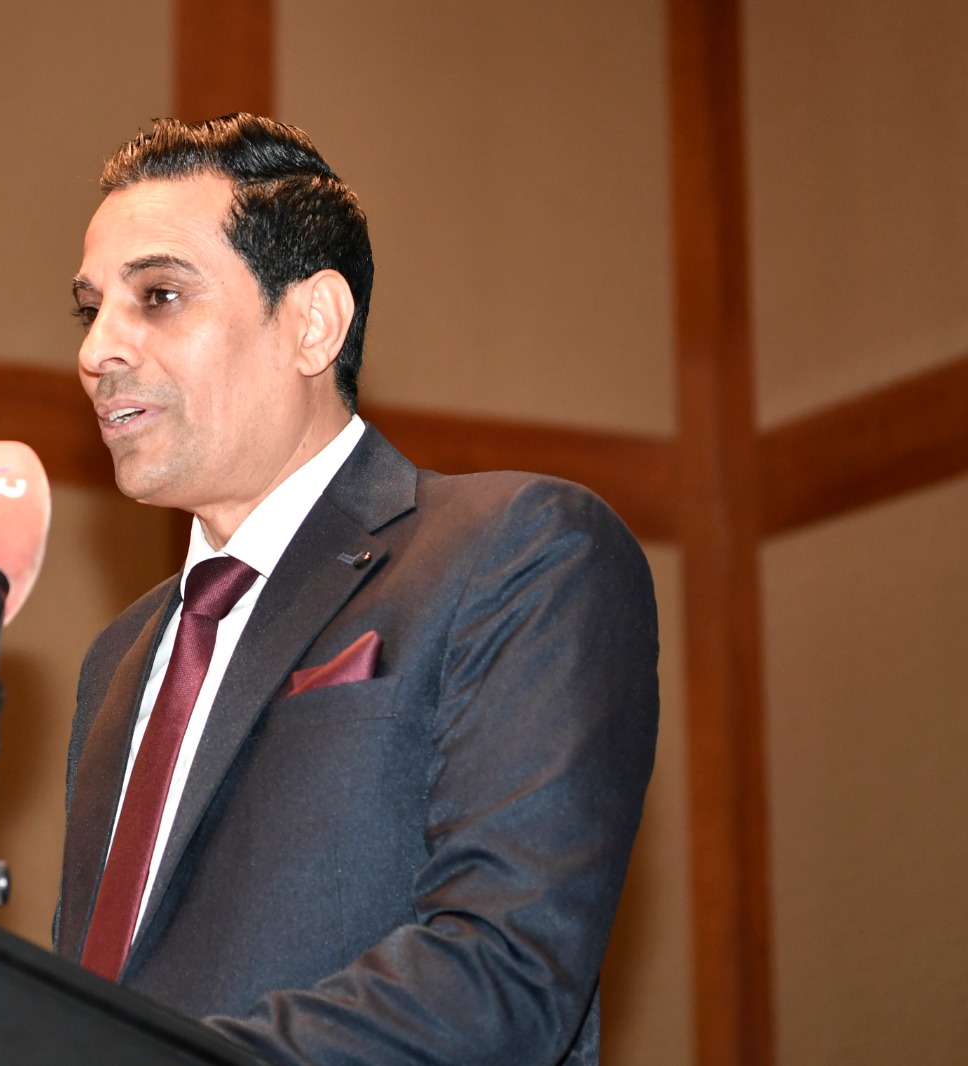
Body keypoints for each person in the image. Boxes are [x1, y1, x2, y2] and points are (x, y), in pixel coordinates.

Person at [54, 113, 658, 1066]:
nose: (97, 352)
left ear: (312, 324)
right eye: (90, 310)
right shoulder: (117, 661)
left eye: (159, 296)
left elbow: (505, 973)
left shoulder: (513, 550)